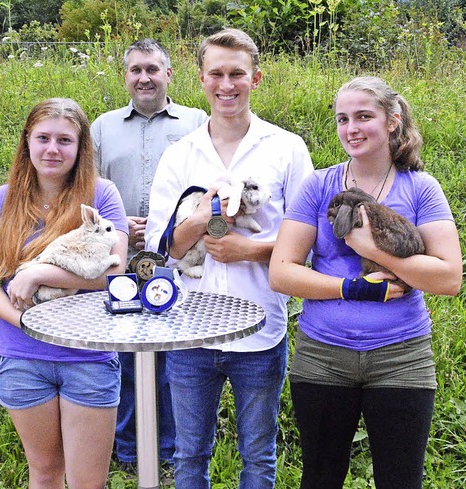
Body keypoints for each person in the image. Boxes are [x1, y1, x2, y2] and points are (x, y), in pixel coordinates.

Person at [268, 76, 462, 488]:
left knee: (400, 479)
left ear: (392, 122)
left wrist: (373, 250)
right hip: (323, 356)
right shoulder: (318, 186)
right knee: (320, 477)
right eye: (342, 119)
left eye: (363, 116)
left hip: (402, 357)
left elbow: (448, 277)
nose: (350, 128)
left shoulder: (420, 188)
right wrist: (352, 287)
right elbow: (282, 271)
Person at [144, 28, 314, 488]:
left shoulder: (287, 149)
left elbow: (309, 246)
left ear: (256, 78)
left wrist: (252, 250)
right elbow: (164, 250)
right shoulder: (180, 155)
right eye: (216, 73)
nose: (227, 84)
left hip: (259, 329)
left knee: (258, 457)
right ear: (200, 80)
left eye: (237, 73)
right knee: (188, 456)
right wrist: (201, 218)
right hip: (189, 331)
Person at [0, 98, 129, 488]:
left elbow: (115, 274)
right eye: (42, 138)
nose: (52, 149)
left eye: (64, 140)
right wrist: (26, 320)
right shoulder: (0, 200)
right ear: (27, 142)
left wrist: (40, 272)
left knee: (88, 481)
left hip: (87, 356)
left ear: (81, 148)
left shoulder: (102, 195)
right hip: (22, 356)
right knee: (44, 473)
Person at [90, 38, 207, 471]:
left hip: (178, 257)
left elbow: (208, 186)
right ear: (126, 76)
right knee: (122, 353)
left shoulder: (197, 122)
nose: (144, 77)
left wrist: (165, 228)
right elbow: (90, 188)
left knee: (175, 357)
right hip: (120, 256)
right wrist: (122, 223)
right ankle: (126, 450)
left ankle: (171, 448)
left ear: (169, 74)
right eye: (136, 69)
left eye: (153, 69)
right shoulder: (102, 127)